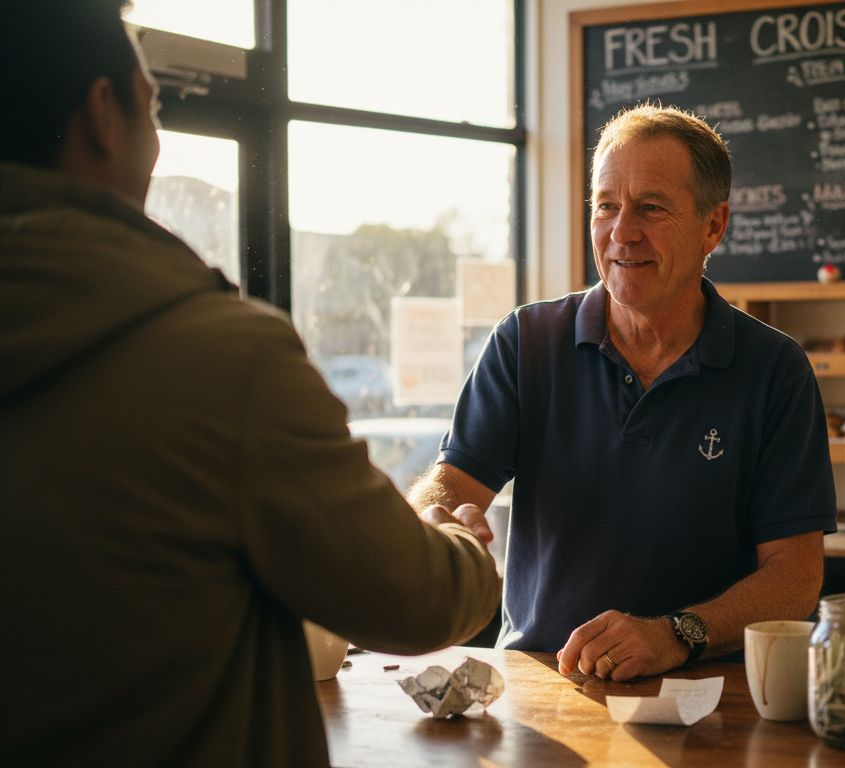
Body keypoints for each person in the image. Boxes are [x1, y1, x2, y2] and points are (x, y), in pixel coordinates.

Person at [0, 2, 500, 765]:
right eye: (154, 103)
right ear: (104, 113)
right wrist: (467, 550)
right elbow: (411, 596)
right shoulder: (219, 360)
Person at [408, 103, 836, 681]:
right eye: (605, 206)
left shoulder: (775, 370)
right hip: (541, 684)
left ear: (714, 226)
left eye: (651, 208)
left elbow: (794, 577)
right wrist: (433, 517)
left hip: (707, 696)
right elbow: (451, 480)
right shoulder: (527, 342)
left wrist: (675, 634)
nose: (621, 232)